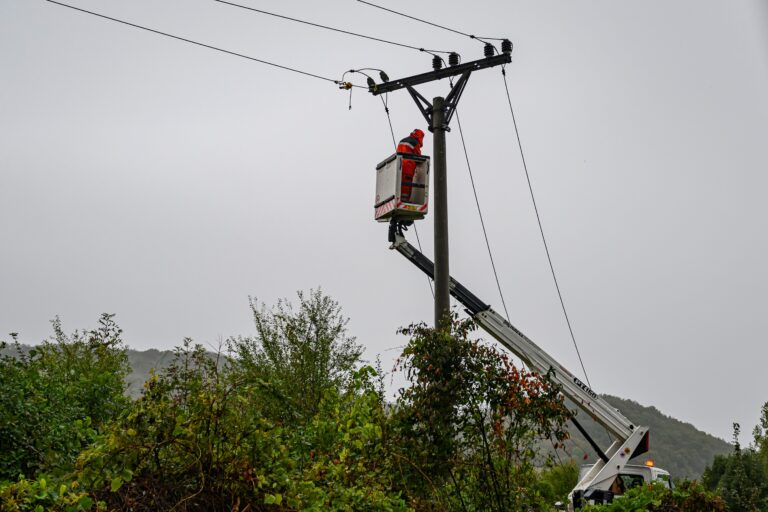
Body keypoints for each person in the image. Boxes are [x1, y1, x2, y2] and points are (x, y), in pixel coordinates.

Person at [396, 128, 424, 203]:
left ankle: (399, 198)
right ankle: (405, 201)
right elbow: (419, 156)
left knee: (399, 183)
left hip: (399, 165)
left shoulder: (402, 140)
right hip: (408, 166)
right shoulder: (415, 142)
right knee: (407, 184)